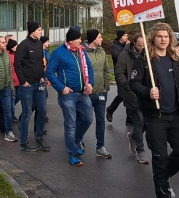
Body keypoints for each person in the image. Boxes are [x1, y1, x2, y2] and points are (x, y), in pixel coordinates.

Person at [129, 23, 179, 198]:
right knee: (160, 157)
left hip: (174, 115)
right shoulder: (144, 60)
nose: (163, 39)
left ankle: (163, 178)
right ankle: (162, 191)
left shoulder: (175, 59)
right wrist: (147, 91)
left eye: (166, 36)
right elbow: (133, 83)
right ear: (153, 37)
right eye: (159, 36)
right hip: (155, 116)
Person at [47, 27, 94, 166]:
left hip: (83, 92)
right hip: (68, 94)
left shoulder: (81, 52)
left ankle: (76, 140)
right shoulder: (59, 53)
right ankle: (72, 153)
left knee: (88, 118)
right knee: (71, 124)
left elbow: (89, 68)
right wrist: (61, 88)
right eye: (79, 38)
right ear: (72, 40)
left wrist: (90, 82)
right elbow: (49, 72)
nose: (81, 40)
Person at [15, 21, 49, 152]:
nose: (41, 32)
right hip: (27, 86)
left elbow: (41, 63)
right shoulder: (23, 45)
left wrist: (42, 75)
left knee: (42, 110)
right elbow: (17, 65)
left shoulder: (40, 44)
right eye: (39, 30)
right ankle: (23, 142)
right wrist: (23, 81)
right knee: (27, 113)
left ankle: (39, 138)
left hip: (39, 84)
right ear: (32, 31)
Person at [115, 33, 149, 164]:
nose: (141, 48)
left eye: (143, 45)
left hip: (144, 93)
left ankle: (134, 137)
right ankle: (141, 151)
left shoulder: (147, 56)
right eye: (139, 45)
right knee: (139, 121)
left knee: (146, 122)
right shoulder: (124, 55)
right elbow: (119, 73)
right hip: (131, 94)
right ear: (134, 43)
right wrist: (128, 86)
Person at [84, 30, 112, 159]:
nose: (102, 39)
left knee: (101, 120)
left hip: (101, 92)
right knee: (85, 119)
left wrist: (106, 87)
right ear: (93, 39)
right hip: (87, 93)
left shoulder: (102, 52)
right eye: (100, 37)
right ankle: (78, 140)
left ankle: (100, 146)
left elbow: (106, 70)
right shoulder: (82, 52)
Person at [106, 30, 128, 122]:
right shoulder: (115, 46)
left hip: (129, 72)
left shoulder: (128, 45)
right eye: (124, 35)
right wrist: (126, 47)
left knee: (130, 95)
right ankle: (110, 109)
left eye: (127, 35)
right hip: (120, 73)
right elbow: (118, 57)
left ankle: (130, 118)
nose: (126, 37)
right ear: (120, 37)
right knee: (122, 95)